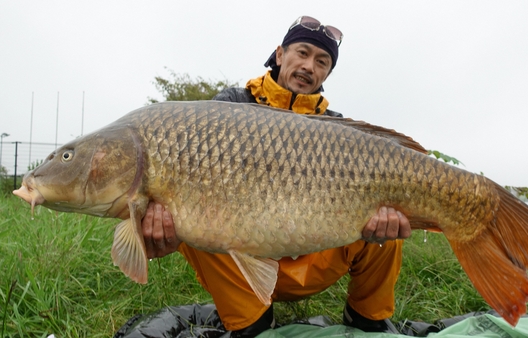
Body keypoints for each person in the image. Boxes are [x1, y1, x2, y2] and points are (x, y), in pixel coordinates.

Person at [142, 15, 412, 336]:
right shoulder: (230, 105)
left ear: (327, 73)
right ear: (280, 55)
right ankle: (252, 323)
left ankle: (367, 319)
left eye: (321, 61)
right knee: (194, 217)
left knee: (387, 225)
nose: (309, 66)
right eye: (302, 52)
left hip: (311, 258)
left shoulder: (335, 126)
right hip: (241, 261)